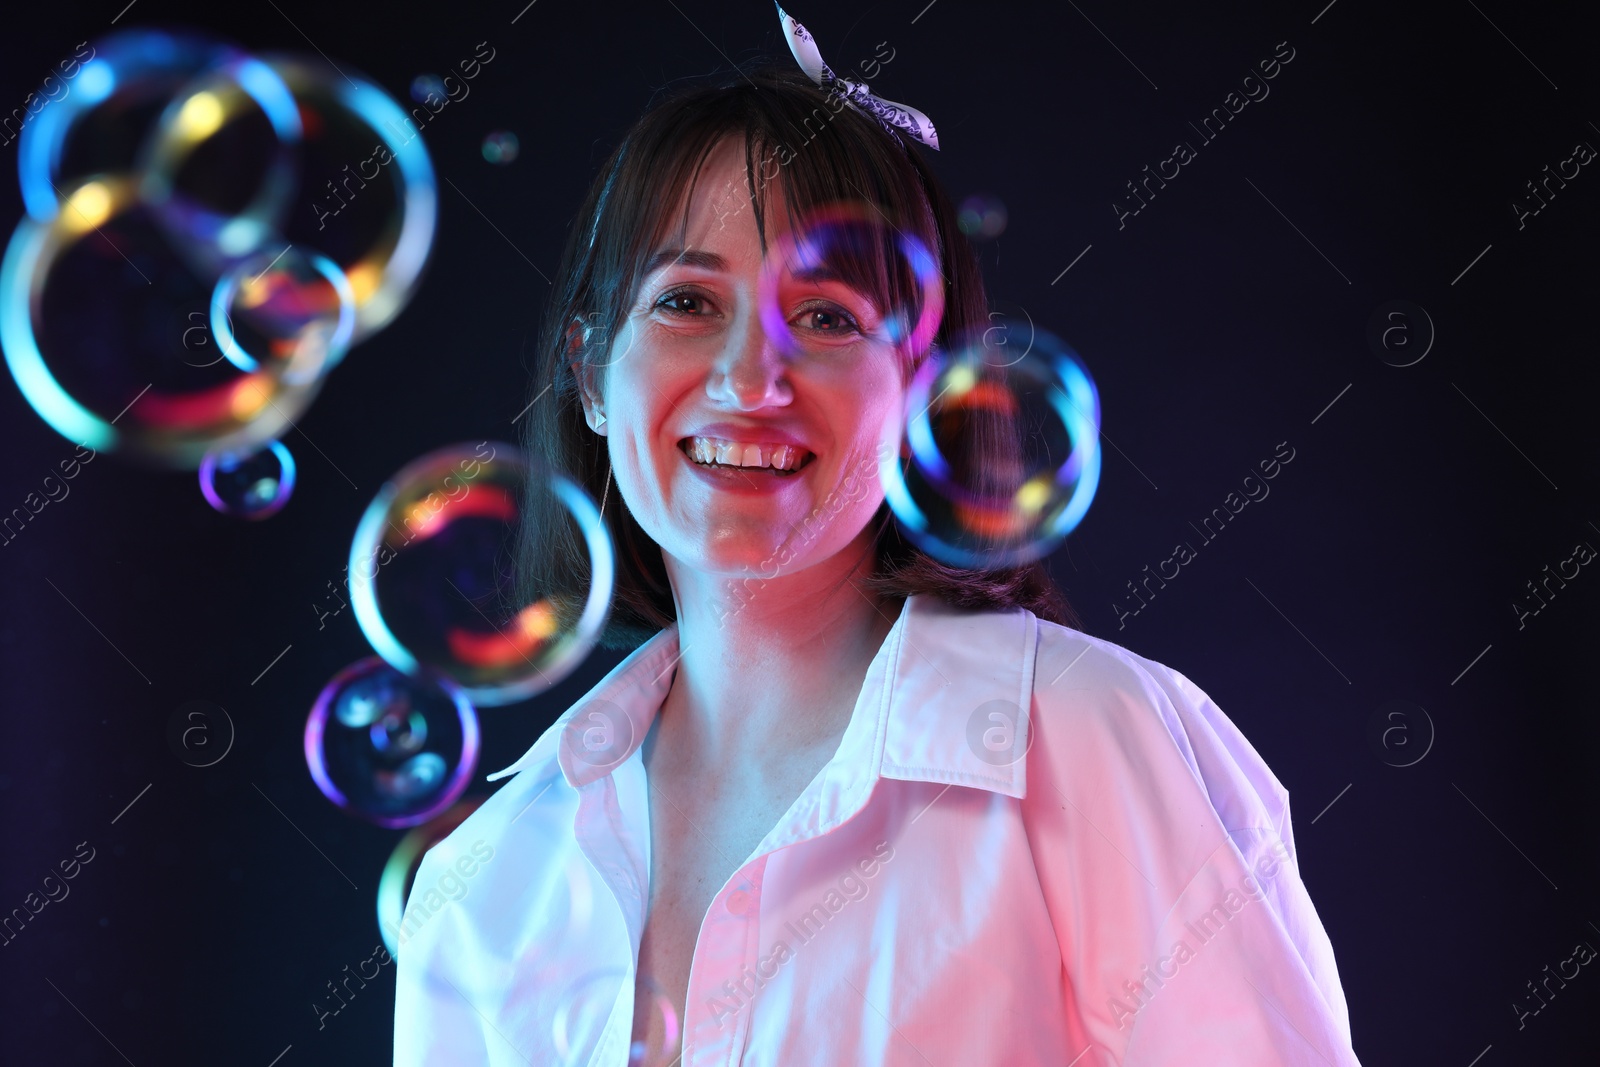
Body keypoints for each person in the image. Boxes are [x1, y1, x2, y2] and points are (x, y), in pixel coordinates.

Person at [393, 17, 1363, 1066]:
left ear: (921, 385)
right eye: (684, 301)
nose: (746, 379)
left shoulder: (1088, 738)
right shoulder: (488, 876)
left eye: (826, 317)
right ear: (588, 372)